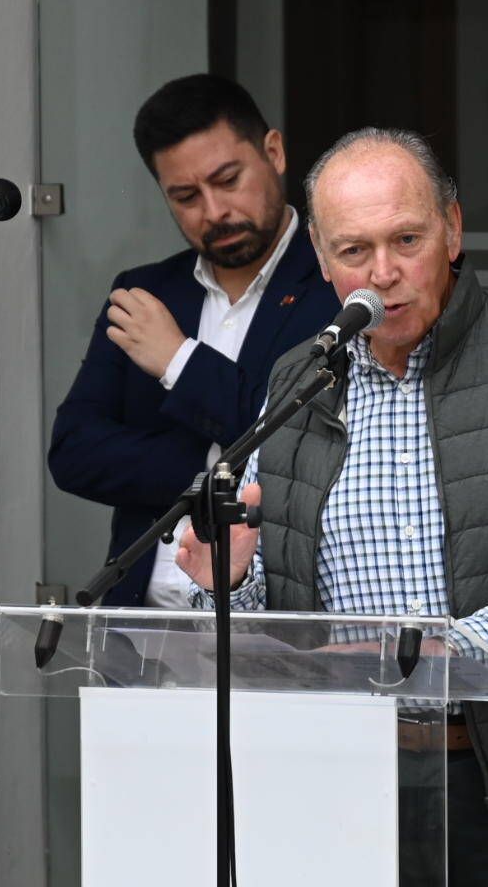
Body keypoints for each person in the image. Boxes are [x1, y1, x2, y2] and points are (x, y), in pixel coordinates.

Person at [178, 126, 488, 885]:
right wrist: (231, 583)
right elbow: (280, 612)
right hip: (334, 782)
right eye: (354, 251)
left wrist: (436, 660)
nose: (383, 274)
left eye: (407, 239)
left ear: (453, 231)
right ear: (324, 262)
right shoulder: (299, 379)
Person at [47, 74, 339, 607]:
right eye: (185, 196)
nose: (213, 211)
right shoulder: (144, 295)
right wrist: (216, 466)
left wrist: (179, 360)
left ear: (273, 152)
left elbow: (310, 446)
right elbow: (73, 452)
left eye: (228, 180)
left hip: (280, 625)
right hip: (141, 624)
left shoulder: (336, 286)